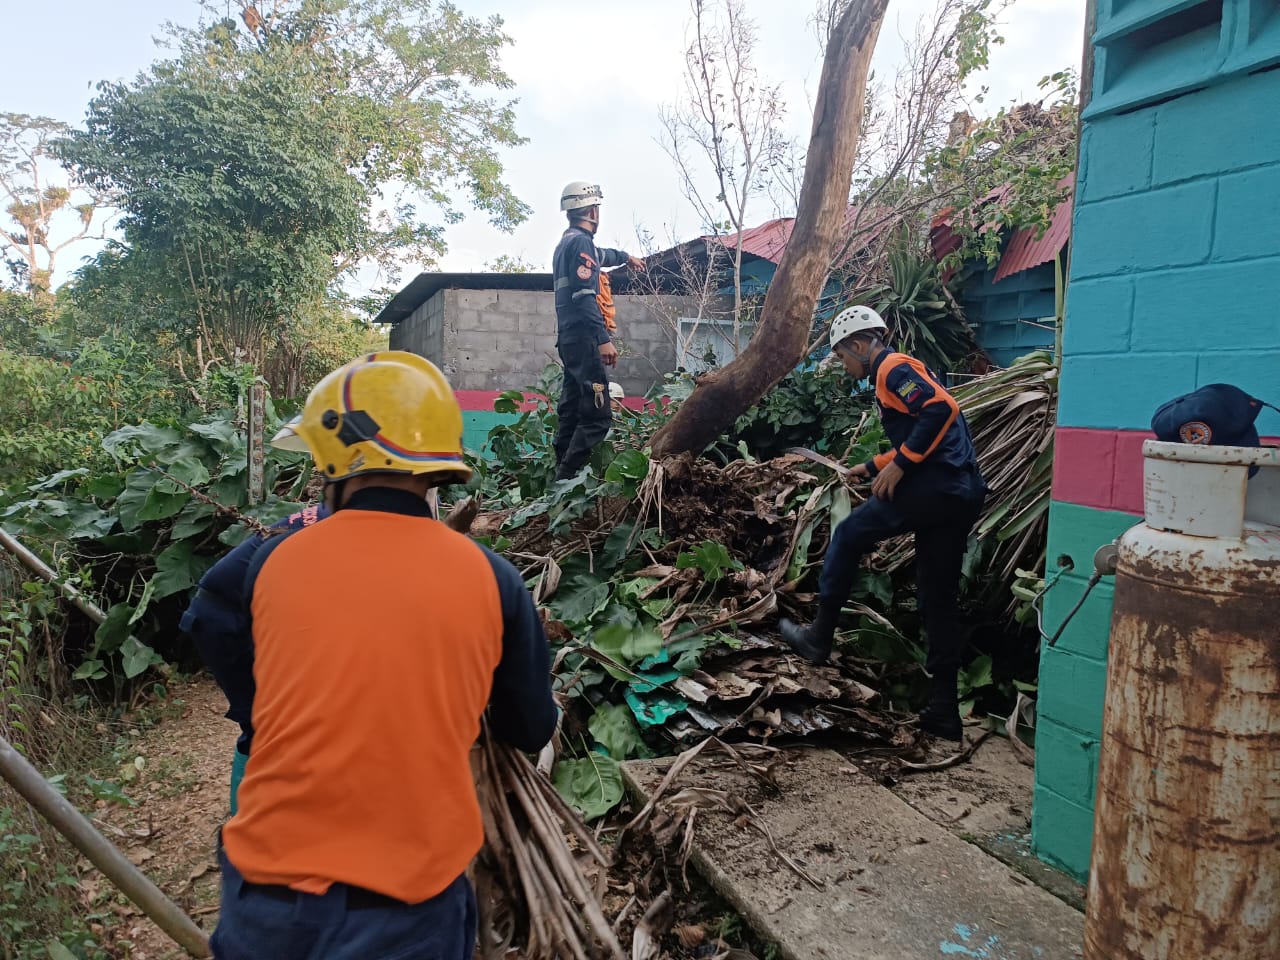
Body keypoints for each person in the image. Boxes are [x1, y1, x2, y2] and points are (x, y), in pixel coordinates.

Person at [209, 351, 558, 960]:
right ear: (436, 470)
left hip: (265, 894)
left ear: (337, 464)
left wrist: (260, 710)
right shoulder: (493, 579)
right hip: (410, 906)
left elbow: (209, 619)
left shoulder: (271, 558)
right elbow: (530, 726)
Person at [779, 306, 988, 742]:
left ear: (858, 344)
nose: (844, 365)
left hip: (933, 488)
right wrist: (874, 465)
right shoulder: (900, 370)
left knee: (849, 535)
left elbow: (940, 409)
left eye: (841, 356)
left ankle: (818, 637)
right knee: (937, 596)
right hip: (960, 491)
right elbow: (930, 434)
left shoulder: (890, 366)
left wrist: (901, 466)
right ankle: (944, 710)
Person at [178, 478, 332, 815]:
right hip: (224, 620)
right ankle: (246, 820)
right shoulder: (335, 530)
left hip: (231, 613)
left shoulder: (329, 516)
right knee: (262, 723)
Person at [552, 181, 645, 480]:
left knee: (571, 408)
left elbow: (600, 255)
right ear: (593, 211)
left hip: (569, 338)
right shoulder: (581, 244)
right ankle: (566, 477)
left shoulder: (569, 242)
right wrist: (602, 340)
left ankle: (557, 475)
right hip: (584, 338)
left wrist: (625, 256)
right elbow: (583, 296)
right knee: (597, 417)